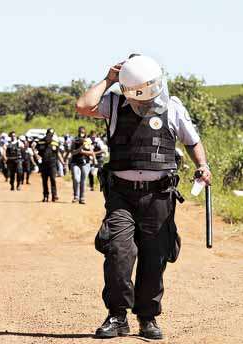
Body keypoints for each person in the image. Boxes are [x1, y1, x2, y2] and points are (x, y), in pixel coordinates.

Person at [76, 55, 211, 340]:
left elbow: (192, 140)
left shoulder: (172, 107)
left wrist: (203, 166)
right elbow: (83, 106)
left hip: (159, 196)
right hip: (121, 196)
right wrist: (108, 79)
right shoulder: (113, 103)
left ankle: (147, 318)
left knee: (155, 256)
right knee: (117, 252)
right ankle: (117, 316)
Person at [33, 128, 64, 202]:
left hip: (52, 164)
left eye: (51, 135)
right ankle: (45, 196)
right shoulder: (41, 142)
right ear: (46, 134)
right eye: (49, 134)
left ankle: (54, 195)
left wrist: (63, 162)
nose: (50, 136)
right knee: (44, 180)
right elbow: (35, 150)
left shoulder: (55, 143)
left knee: (53, 179)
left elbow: (58, 153)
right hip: (44, 164)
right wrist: (37, 156)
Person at [66, 126, 94, 204]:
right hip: (75, 162)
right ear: (78, 132)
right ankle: (76, 196)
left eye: (83, 132)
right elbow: (72, 152)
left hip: (85, 163)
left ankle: (82, 198)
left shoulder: (88, 140)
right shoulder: (75, 140)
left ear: (85, 132)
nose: (82, 133)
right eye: (80, 132)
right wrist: (80, 149)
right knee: (76, 179)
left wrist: (83, 152)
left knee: (83, 181)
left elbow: (91, 152)